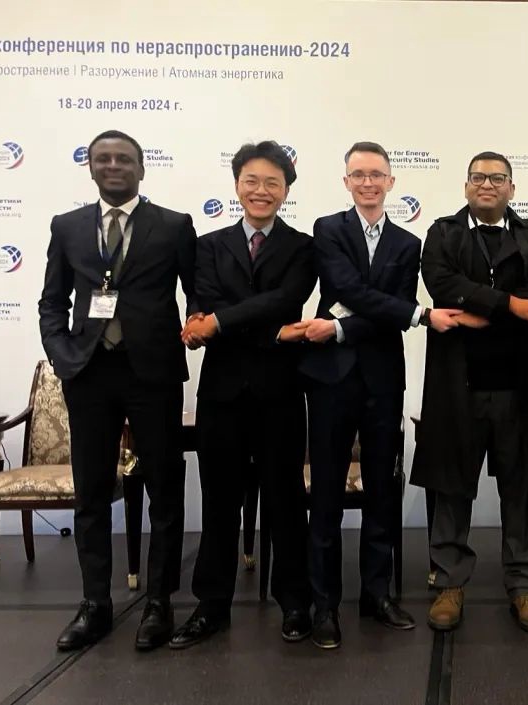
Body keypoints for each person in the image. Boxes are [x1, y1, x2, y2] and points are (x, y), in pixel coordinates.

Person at [297, 142, 462, 649]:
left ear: (391, 182)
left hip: (383, 381)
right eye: (358, 175)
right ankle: (324, 604)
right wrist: (412, 315)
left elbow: (391, 308)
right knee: (326, 494)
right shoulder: (328, 229)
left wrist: (340, 326)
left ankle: (376, 594)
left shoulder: (408, 243)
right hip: (331, 381)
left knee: (382, 494)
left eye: (376, 175)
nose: (367, 183)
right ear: (346, 182)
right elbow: (350, 289)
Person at [38, 129, 197, 651]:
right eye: (102, 158)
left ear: (141, 168)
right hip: (89, 375)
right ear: (90, 168)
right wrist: (63, 357)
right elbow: (52, 302)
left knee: (164, 492)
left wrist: (197, 327)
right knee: (91, 493)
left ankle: (158, 602)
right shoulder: (66, 227)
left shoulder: (174, 225)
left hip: (152, 374)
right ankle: (95, 605)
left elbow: (197, 295)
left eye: (123, 159)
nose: (113, 166)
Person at [172, 140, 316, 649]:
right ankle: (211, 605)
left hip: (280, 391)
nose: (261, 190)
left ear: (285, 191)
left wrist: (220, 323)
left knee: (285, 500)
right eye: (252, 180)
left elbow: (285, 299)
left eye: (272, 183)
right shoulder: (208, 245)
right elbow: (207, 302)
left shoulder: (302, 246)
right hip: (223, 392)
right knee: (219, 502)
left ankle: (294, 602)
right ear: (237, 185)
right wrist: (270, 332)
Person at [411, 151, 528, 634]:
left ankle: (523, 584)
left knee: (521, 487)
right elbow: (442, 282)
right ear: (466, 186)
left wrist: (488, 310)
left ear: (512, 188)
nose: (487, 184)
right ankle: (449, 583)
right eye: (478, 177)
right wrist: (512, 305)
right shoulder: (443, 233)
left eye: (498, 178)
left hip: (521, 385)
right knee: (452, 485)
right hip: (459, 384)